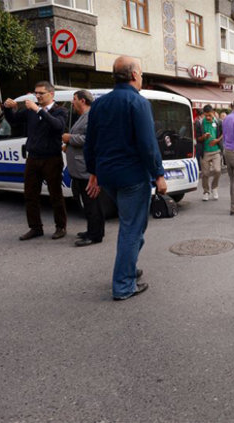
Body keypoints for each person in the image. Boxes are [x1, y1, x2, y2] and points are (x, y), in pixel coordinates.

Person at [84, 56, 167, 301]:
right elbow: (148, 144)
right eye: (140, 73)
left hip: (107, 176)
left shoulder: (99, 104)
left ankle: (128, 268)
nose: (141, 77)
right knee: (132, 229)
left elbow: (91, 142)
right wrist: (159, 174)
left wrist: (93, 173)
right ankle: (123, 284)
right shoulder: (138, 102)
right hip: (132, 176)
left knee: (133, 226)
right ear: (133, 75)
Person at [4, 81, 69, 241]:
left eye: (41, 93)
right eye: (36, 93)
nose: (37, 96)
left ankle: (60, 226)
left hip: (51, 158)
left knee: (55, 194)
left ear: (51, 94)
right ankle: (35, 227)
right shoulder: (31, 111)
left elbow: (58, 126)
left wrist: (38, 110)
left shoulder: (60, 110)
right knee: (30, 194)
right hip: (33, 157)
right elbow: (13, 120)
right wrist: (7, 108)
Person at [62, 90, 104, 247]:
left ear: (83, 101)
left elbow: (91, 139)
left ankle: (94, 235)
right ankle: (93, 230)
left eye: (74, 99)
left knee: (91, 203)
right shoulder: (83, 116)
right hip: (79, 168)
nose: (72, 102)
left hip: (85, 168)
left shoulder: (91, 116)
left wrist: (70, 138)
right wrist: (68, 146)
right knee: (89, 203)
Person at [196, 104, 223, 201]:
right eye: (206, 115)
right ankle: (206, 191)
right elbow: (198, 138)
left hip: (216, 151)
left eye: (209, 115)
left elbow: (223, 133)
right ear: (203, 114)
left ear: (213, 113)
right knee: (205, 173)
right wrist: (204, 137)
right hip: (205, 152)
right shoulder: (199, 123)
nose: (208, 117)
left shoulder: (219, 122)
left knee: (217, 170)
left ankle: (214, 187)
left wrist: (217, 140)